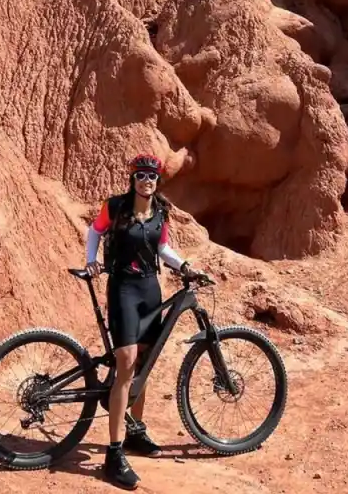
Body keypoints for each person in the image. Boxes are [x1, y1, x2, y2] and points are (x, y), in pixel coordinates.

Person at [85, 153, 199, 490]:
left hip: (151, 288)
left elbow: (163, 248)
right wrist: (91, 261)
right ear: (132, 179)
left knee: (145, 360)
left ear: (157, 181)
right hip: (122, 288)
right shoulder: (116, 206)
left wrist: (185, 266)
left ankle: (135, 429)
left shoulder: (160, 213)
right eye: (141, 176)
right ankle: (114, 453)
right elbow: (94, 231)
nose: (146, 181)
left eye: (152, 176)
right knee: (127, 362)